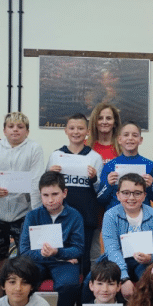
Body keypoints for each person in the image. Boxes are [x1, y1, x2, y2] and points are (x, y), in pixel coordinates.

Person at [85, 173, 153, 302]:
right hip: (116, 260)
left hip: (146, 261)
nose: (131, 198)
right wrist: (124, 278)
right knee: (90, 280)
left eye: (137, 193)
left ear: (144, 195)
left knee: (150, 282)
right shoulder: (111, 215)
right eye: (126, 193)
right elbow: (112, 249)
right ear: (118, 195)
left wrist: (152, 257)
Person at [0, 111, 44, 272]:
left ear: (27, 131)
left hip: (23, 212)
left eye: (20, 127)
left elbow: (36, 182)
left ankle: (22, 285)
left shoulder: (34, 149)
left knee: (26, 256)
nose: (15, 130)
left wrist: (36, 213)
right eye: (11, 126)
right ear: (4, 130)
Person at [18, 171, 84, 306]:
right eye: (45, 195)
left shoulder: (74, 215)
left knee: (69, 284)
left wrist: (58, 252)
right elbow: (24, 251)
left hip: (62, 262)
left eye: (55, 194)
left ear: (64, 193)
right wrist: (52, 255)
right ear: (40, 195)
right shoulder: (32, 216)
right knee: (24, 281)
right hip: (39, 261)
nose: (50, 200)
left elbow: (78, 249)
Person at [46, 113, 105, 277]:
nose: (76, 132)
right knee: (59, 255)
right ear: (66, 131)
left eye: (80, 128)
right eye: (72, 128)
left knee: (84, 259)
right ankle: (64, 287)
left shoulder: (95, 157)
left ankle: (83, 291)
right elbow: (45, 186)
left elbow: (100, 191)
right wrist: (50, 173)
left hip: (86, 217)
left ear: (87, 132)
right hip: (59, 216)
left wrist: (94, 178)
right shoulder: (56, 155)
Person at [97, 122, 153, 209]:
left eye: (135, 135)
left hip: (141, 214)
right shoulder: (109, 166)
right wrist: (108, 185)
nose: (130, 138)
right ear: (119, 139)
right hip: (116, 215)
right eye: (126, 135)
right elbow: (100, 200)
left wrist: (150, 186)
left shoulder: (150, 165)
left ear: (140, 140)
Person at [87, 103, 122, 261]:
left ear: (115, 122)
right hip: (92, 204)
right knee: (93, 248)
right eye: (100, 118)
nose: (104, 121)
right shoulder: (86, 146)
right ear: (95, 121)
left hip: (115, 203)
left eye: (109, 118)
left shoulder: (122, 146)